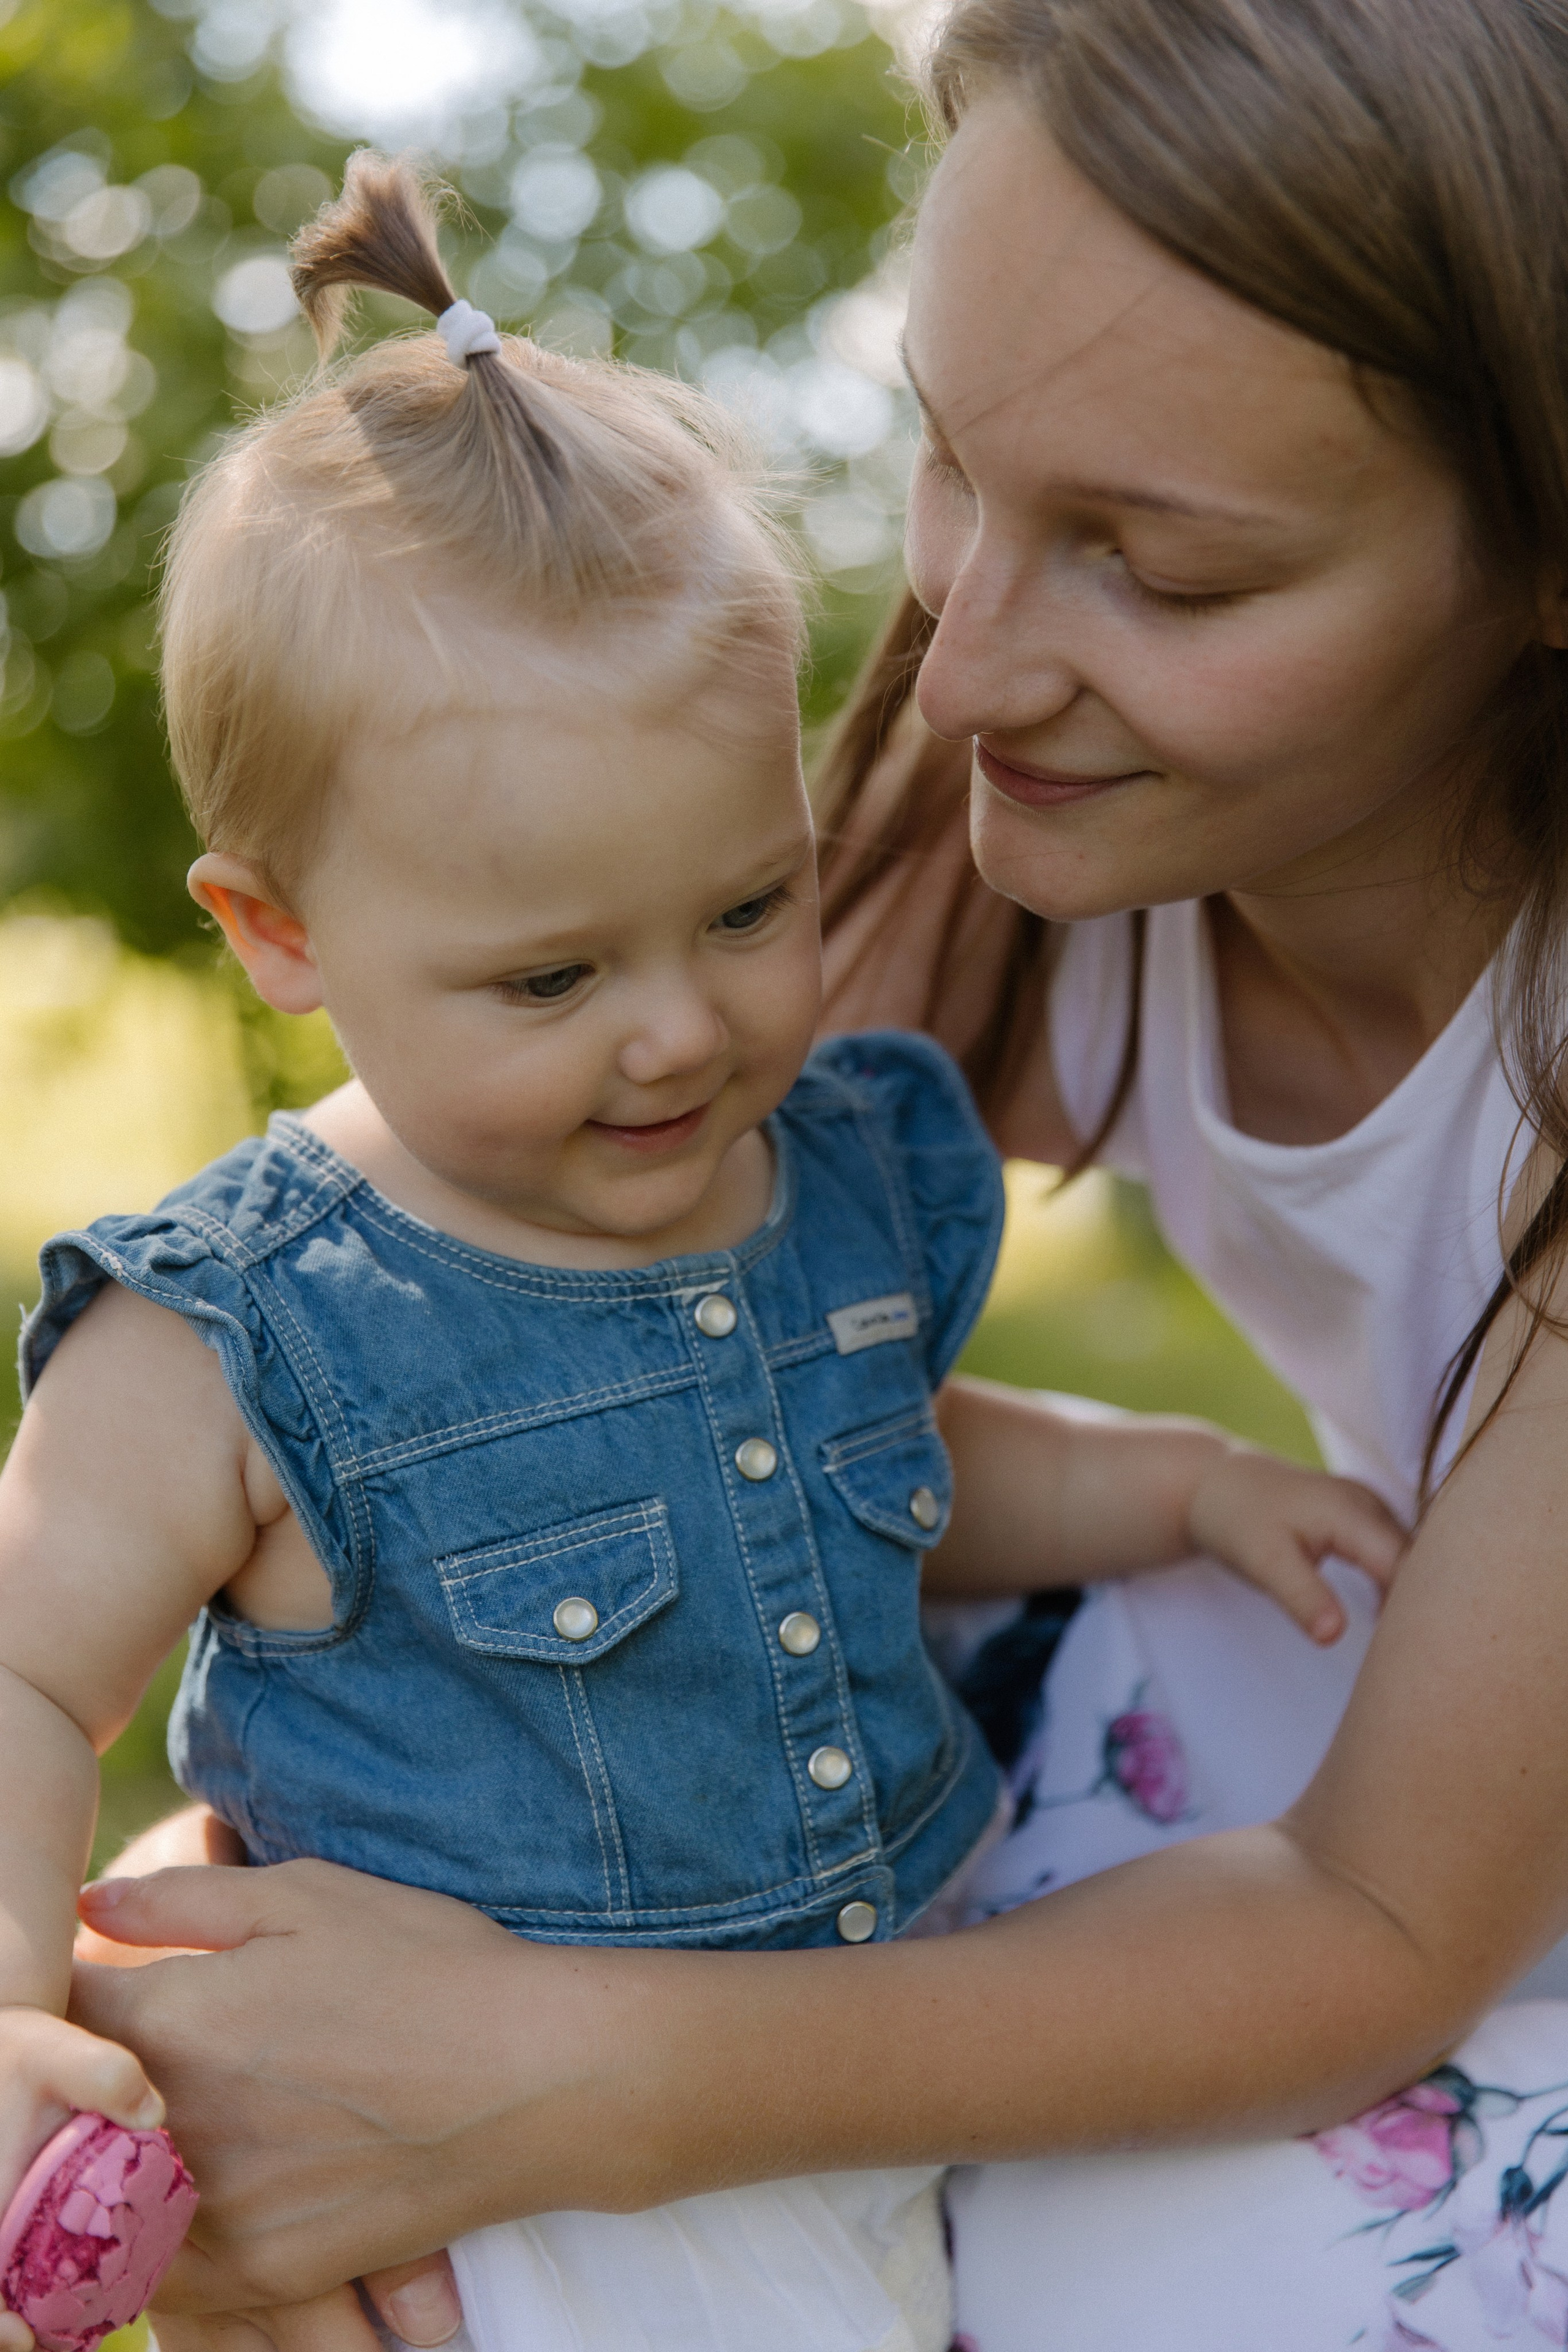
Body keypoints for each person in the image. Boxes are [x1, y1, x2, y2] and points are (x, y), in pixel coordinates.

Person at [52, 1, 1568, 2345]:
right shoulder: (1022, 819)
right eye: (948, 462)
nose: (953, 670)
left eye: (1160, 570)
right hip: (1408, 1744)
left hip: (1456, 1859)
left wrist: (548, 2085)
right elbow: (642, 1395)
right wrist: (228, 1954)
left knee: (1157, 2271)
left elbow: (1384, 1922)